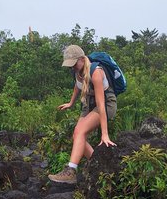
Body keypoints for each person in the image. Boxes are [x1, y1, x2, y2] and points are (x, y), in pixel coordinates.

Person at [48, 45, 117, 184]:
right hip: (88, 104)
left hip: (105, 104)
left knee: (80, 131)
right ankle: (97, 166)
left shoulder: (96, 72)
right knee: (77, 134)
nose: (71, 67)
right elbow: (77, 86)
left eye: (73, 64)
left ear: (81, 59)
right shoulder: (77, 71)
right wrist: (71, 103)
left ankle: (71, 171)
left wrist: (105, 133)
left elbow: (101, 104)